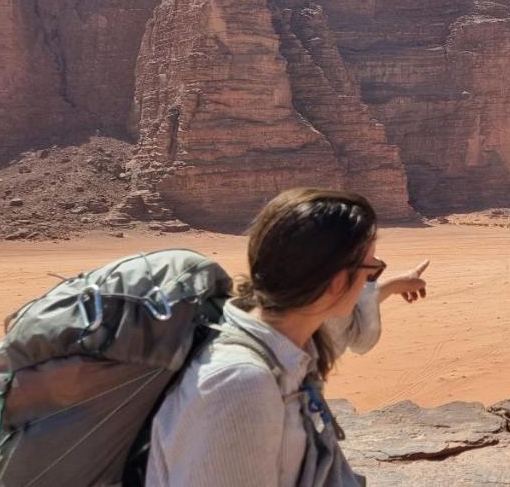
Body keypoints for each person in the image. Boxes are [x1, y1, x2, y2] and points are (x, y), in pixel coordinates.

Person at [145, 188, 429, 486]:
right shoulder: (239, 387)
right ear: (335, 282)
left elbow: (344, 329)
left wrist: (393, 285)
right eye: (371, 271)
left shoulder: (293, 346)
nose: (370, 283)